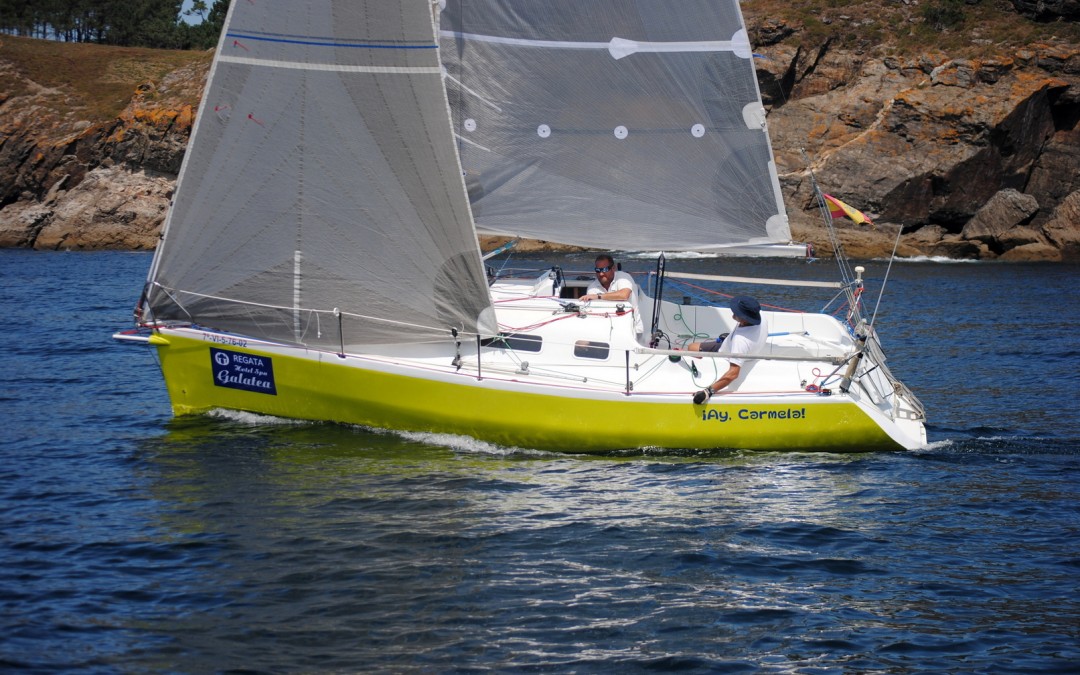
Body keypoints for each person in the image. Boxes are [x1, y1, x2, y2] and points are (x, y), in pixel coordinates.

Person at [688, 296, 768, 404]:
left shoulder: (740, 341)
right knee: (692, 347)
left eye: (736, 312)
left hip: (724, 353)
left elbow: (733, 373)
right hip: (730, 345)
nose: (733, 314)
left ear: (744, 319)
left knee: (690, 350)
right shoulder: (761, 316)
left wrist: (708, 392)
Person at [582, 254, 642, 335]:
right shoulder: (592, 288)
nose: (601, 274)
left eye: (604, 269)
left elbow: (624, 295)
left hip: (632, 329)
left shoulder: (623, 277)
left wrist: (598, 296)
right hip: (605, 330)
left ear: (613, 268)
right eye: (598, 270)